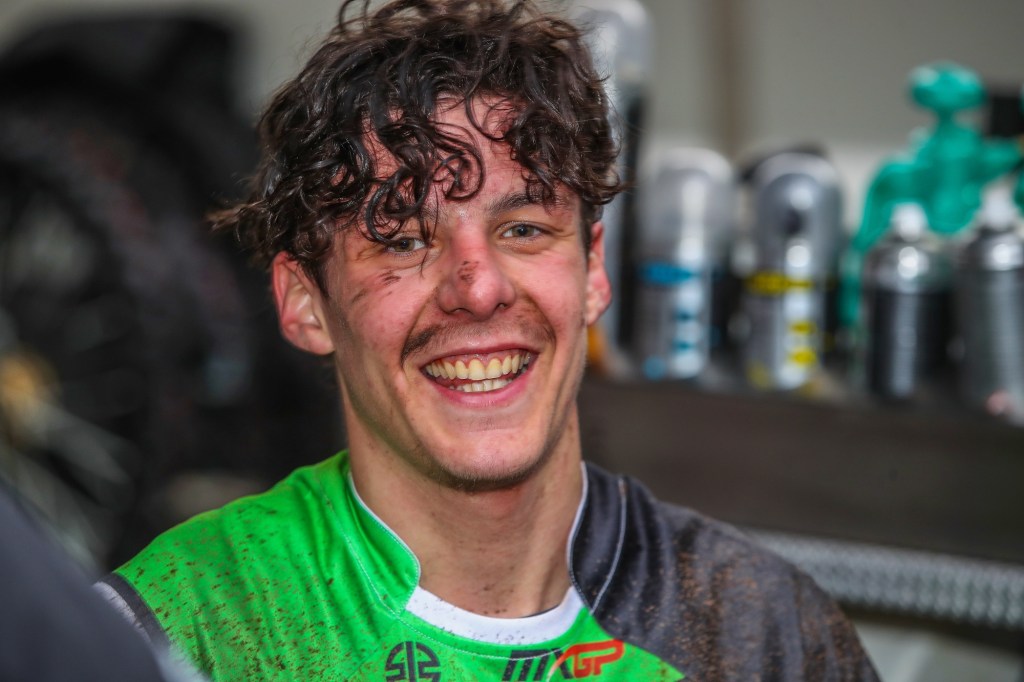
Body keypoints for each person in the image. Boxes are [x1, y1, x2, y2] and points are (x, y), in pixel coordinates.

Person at [98, 0, 880, 679]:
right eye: (403, 240)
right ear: (306, 304)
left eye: (524, 228)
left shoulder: (761, 632)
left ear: (593, 271)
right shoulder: (184, 630)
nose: (478, 288)